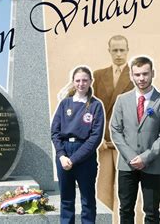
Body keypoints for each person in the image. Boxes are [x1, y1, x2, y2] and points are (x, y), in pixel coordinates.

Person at [111, 56, 160, 224]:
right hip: (127, 165)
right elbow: (115, 130)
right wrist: (132, 157)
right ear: (131, 76)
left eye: (145, 74)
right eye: (137, 74)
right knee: (125, 209)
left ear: (152, 73)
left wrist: (145, 157)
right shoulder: (122, 100)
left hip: (154, 165)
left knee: (152, 212)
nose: (141, 78)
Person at [51, 66, 105, 224]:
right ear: (73, 82)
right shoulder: (64, 104)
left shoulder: (95, 106)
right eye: (78, 80)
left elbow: (95, 138)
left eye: (85, 80)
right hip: (64, 154)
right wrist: (61, 155)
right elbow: (55, 132)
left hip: (85, 155)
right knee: (66, 199)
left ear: (90, 82)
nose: (81, 83)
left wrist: (74, 159)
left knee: (87, 200)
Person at [93, 35, 134, 215]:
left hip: (127, 144)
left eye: (122, 50)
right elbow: (87, 108)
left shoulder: (137, 76)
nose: (118, 54)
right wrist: (96, 137)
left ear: (127, 50)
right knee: (102, 192)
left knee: (127, 192)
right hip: (102, 144)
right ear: (109, 51)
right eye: (115, 50)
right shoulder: (98, 75)